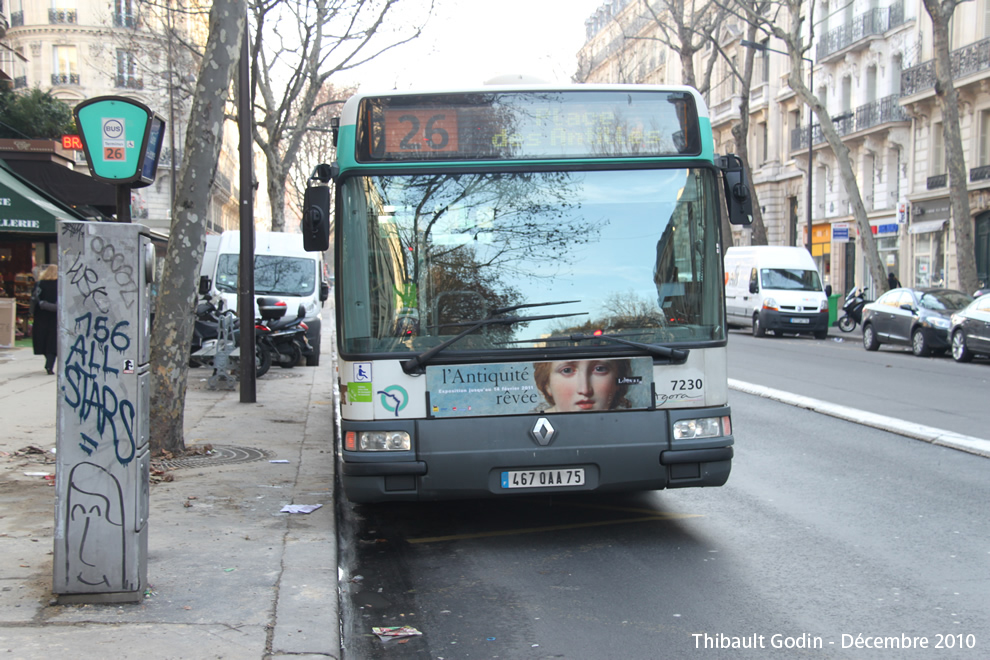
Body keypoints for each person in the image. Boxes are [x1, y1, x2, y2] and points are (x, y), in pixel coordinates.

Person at [533, 359, 633, 413]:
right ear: (547, 384)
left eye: (600, 369)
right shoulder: (526, 428)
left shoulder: (635, 427)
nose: (584, 389)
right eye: (567, 370)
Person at [32, 265, 58, 375]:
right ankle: (50, 364)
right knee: (53, 342)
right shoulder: (60, 285)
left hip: (41, 316)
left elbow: (33, 299)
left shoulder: (39, 284)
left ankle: (47, 359)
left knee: (42, 339)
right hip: (55, 317)